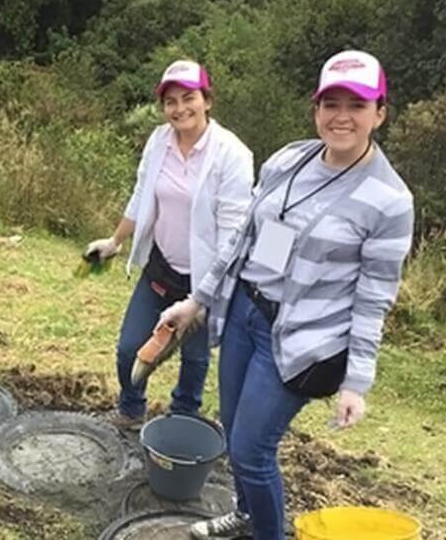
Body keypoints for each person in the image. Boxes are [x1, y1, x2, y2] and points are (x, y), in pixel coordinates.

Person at [158, 51, 414, 540]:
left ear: (379, 112)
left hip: (301, 342)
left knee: (253, 448)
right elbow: (243, 241)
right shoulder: (289, 160)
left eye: (357, 105)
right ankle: (245, 515)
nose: (341, 116)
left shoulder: (389, 201)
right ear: (316, 108)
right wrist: (199, 300)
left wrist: (357, 381)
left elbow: (373, 297)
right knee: (234, 436)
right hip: (244, 313)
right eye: (330, 103)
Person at [85, 60, 254, 429]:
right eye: (171, 101)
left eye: (188, 98)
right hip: (161, 267)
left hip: (203, 280)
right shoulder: (159, 140)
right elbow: (142, 196)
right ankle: (131, 410)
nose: (179, 109)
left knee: (193, 359)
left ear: (207, 100)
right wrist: (115, 241)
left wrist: (205, 299)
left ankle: (182, 422)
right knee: (131, 347)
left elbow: (233, 234)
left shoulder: (232, 155)